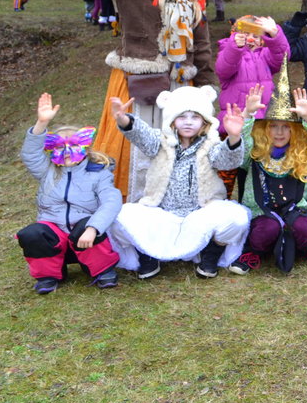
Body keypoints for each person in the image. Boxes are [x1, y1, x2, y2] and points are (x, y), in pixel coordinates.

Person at [74, 0, 215, 201]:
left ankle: (173, 206)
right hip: (138, 83)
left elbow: (201, 45)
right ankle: (127, 208)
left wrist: (207, 87)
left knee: (177, 148)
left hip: (181, 85)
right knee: (136, 150)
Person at [106, 85, 250, 279]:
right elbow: (142, 135)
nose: (188, 122)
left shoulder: (210, 144)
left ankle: (210, 253)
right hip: (163, 215)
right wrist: (123, 119)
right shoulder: (159, 141)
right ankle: (148, 255)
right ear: (172, 119)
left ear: (204, 121)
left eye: (195, 117)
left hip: (200, 215)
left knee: (237, 218)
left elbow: (227, 161)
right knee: (119, 217)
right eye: (182, 117)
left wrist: (234, 136)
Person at [16, 93, 122, 294]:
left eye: (73, 146)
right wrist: (41, 123)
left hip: (85, 239)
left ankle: (102, 270)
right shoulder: (47, 171)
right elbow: (30, 154)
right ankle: (48, 275)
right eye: (59, 147)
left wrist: (93, 228)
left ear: (85, 148)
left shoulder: (99, 174)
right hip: (55, 239)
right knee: (32, 234)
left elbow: (111, 201)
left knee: (85, 225)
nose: (66, 152)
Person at [229, 75, 307, 274]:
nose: (279, 132)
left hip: (295, 210)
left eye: (286, 127)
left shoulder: (304, 153)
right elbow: (239, 147)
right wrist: (247, 114)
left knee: (303, 228)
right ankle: (253, 252)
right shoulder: (254, 152)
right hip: (262, 212)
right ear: (264, 129)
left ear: (294, 130)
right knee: (266, 230)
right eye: (273, 126)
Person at [215, 14, 290, 199]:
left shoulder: (265, 56)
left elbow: (283, 56)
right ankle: (219, 204)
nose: (250, 39)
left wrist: (275, 35)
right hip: (234, 126)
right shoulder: (228, 52)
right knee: (226, 174)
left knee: (253, 174)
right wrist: (235, 47)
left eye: (256, 35)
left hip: (261, 126)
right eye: (245, 34)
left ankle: (251, 205)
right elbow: (224, 68)